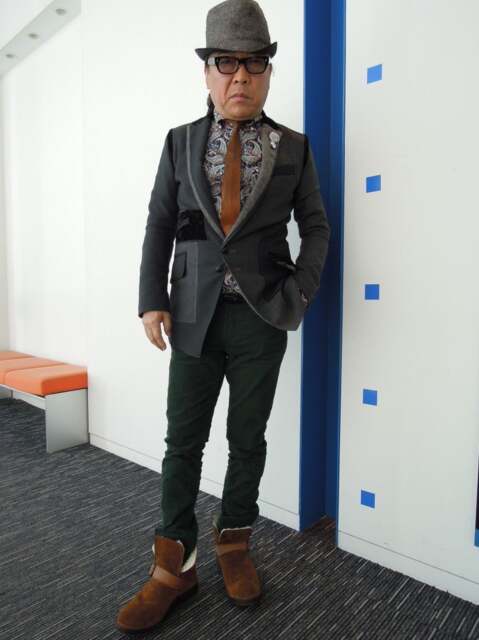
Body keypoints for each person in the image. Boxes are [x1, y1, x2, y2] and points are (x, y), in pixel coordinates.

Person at [116, 0, 331, 633]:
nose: (241, 75)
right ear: (207, 71)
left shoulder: (294, 148)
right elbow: (159, 223)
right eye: (226, 62)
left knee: (248, 439)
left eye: (254, 63)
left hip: (262, 319)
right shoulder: (180, 142)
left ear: (268, 71)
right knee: (182, 442)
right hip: (192, 317)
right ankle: (172, 567)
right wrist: (151, 297)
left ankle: (234, 544)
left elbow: (316, 226)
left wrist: (300, 292)